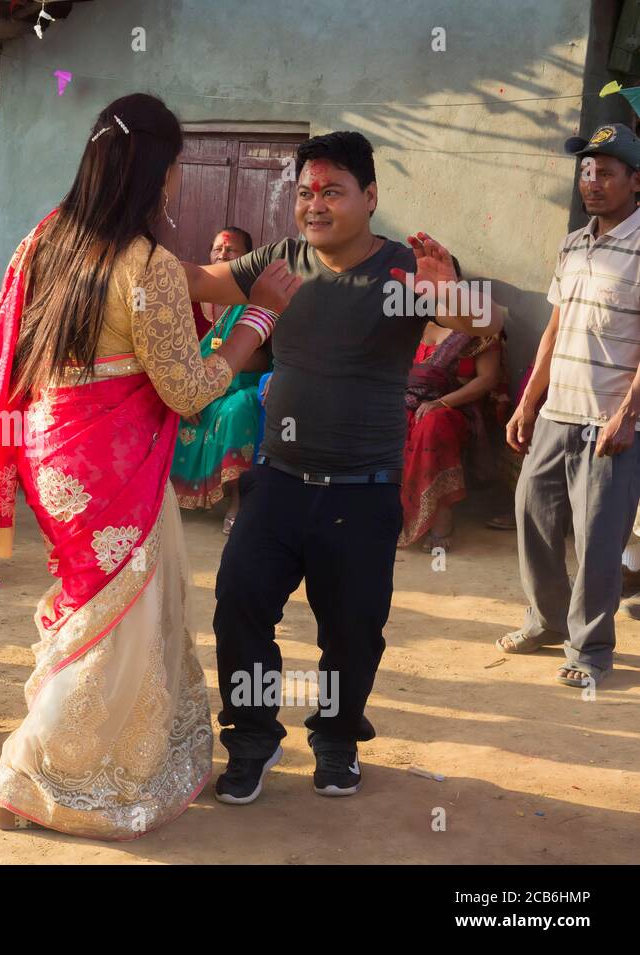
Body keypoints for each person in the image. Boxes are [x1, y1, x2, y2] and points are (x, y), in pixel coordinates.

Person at [0, 94, 300, 839]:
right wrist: (258, 320)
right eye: (176, 167)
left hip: (54, 455)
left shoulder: (48, 240)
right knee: (119, 620)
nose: (178, 182)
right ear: (155, 172)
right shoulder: (142, 264)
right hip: (113, 463)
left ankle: (102, 755)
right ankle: (33, 770)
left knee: (97, 606)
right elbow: (188, 389)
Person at [181, 130, 499, 804]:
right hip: (279, 481)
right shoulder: (282, 261)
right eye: (305, 193)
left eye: (331, 191)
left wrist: (456, 296)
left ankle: (336, 737)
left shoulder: (401, 272)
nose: (314, 205)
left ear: (370, 197)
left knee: (352, 631)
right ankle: (252, 739)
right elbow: (200, 279)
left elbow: (483, 322)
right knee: (239, 606)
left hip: (364, 490)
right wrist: (122, 245)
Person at [500, 123, 640, 688]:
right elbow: (554, 331)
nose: (592, 182)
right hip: (559, 411)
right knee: (532, 514)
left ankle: (590, 650)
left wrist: (627, 414)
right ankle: (546, 621)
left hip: (611, 420)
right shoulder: (574, 242)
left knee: (599, 539)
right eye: (586, 171)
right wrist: (527, 403)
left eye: (605, 172)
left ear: (636, 181)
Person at [398, 259, 502, 550]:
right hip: (404, 405)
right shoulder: (408, 325)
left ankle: (441, 517)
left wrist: (441, 402)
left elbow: (488, 379)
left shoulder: (477, 326)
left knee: (432, 424)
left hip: (455, 410)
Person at [172, 226, 270, 530]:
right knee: (169, 407)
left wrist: (222, 370)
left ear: (247, 259)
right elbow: (173, 352)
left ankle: (239, 502)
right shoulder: (188, 299)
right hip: (195, 385)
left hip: (240, 384)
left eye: (231, 251)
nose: (222, 254)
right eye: (217, 249)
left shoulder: (257, 299)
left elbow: (265, 357)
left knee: (235, 410)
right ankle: (174, 498)